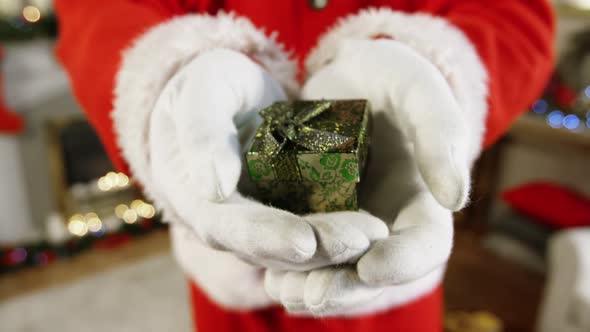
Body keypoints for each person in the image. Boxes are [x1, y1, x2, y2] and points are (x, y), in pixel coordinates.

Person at [54, 1, 555, 331]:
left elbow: (515, 17)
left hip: (391, 264)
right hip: (231, 272)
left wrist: (436, 72)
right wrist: (168, 78)